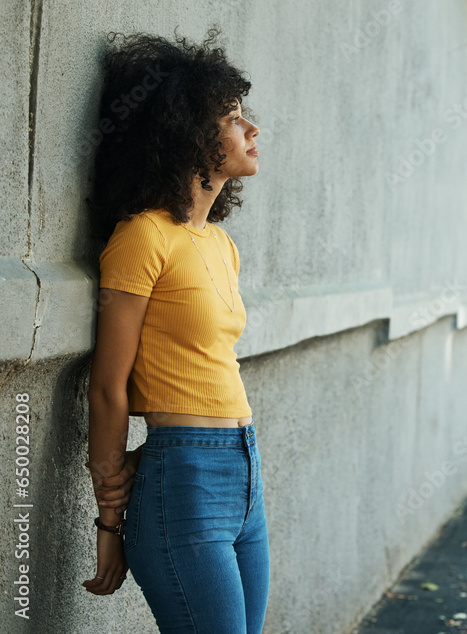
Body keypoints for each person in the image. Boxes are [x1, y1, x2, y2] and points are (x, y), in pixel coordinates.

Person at [82, 28, 269, 633]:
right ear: (187, 132)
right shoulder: (141, 237)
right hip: (185, 484)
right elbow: (107, 389)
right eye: (234, 118)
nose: (252, 130)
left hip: (245, 472)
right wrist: (110, 523)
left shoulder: (219, 243)